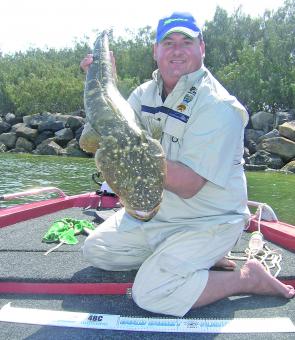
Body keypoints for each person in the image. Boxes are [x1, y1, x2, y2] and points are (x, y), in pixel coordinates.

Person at [80, 12, 294, 317]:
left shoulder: (219, 106)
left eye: (186, 41)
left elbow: (190, 184)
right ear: (155, 51)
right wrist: (100, 88)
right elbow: (98, 135)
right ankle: (198, 260)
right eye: (168, 42)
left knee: (151, 293)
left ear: (202, 47)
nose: (177, 49)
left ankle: (245, 278)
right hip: (160, 217)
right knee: (97, 250)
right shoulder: (144, 94)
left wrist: (129, 154)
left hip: (208, 219)